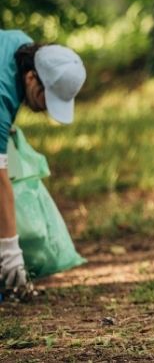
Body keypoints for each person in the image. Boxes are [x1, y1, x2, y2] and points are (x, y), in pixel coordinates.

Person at [0, 31, 86, 292]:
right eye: (45, 99)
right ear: (31, 78)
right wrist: (10, 252)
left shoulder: (19, 45)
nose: (46, 109)